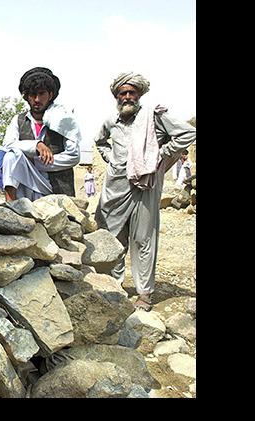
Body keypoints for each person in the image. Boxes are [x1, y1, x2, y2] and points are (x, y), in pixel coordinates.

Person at [94, 72, 196, 312]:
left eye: (132, 92)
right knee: (112, 235)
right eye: (123, 93)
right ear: (116, 96)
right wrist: (112, 161)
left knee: (143, 239)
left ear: (139, 95)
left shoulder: (154, 117)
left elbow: (188, 133)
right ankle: (113, 286)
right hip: (115, 186)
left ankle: (144, 294)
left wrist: (159, 155)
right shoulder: (111, 121)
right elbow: (100, 142)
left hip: (145, 186)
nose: (127, 96)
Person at [0, 67, 80, 201]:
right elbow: (8, 144)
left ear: (50, 95)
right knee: (10, 156)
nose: (37, 99)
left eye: (41, 94)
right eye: (32, 95)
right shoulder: (18, 120)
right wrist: (36, 145)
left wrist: (38, 162)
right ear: (26, 97)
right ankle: (10, 203)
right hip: (27, 182)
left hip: (54, 185)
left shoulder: (63, 119)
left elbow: (74, 156)